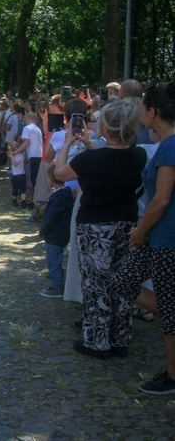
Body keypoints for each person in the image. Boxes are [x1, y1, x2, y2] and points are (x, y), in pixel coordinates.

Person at [55, 100, 146, 359]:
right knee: (122, 281)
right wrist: (88, 144)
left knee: (96, 283)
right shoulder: (138, 155)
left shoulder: (91, 159)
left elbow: (60, 174)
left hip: (95, 226)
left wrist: (69, 144)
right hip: (127, 224)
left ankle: (96, 340)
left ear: (105, 127)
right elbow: (112, 160)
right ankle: (119, 337)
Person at [112, 83, 175, 394]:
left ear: (153, 112)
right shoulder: (165, 143)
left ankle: (173, 373)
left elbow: (161, 200)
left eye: (143, 108)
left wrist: (140, 231)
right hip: (157, 236)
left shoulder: (170, 147)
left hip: (164, 237)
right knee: (124, 280)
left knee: (164, 303)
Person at [38, 165, 73, 298]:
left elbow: (51, 217)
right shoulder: (67, 194)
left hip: (54, 234)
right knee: (57, 258)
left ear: (51, 180)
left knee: (53, 259)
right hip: (63, 232)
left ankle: (57, 286)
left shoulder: (57, 197)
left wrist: (43, 231)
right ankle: (58, 279)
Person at [7, 141, 27, 208]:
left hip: (19, 175)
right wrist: (10, 157)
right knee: (18, 188)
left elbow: (15, 164)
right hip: (19, 174)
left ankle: (20, 201)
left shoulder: (19, 156)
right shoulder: (19, 155)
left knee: (20, 189)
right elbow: (10, 163)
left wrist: (12, 157)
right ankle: (17, 200)